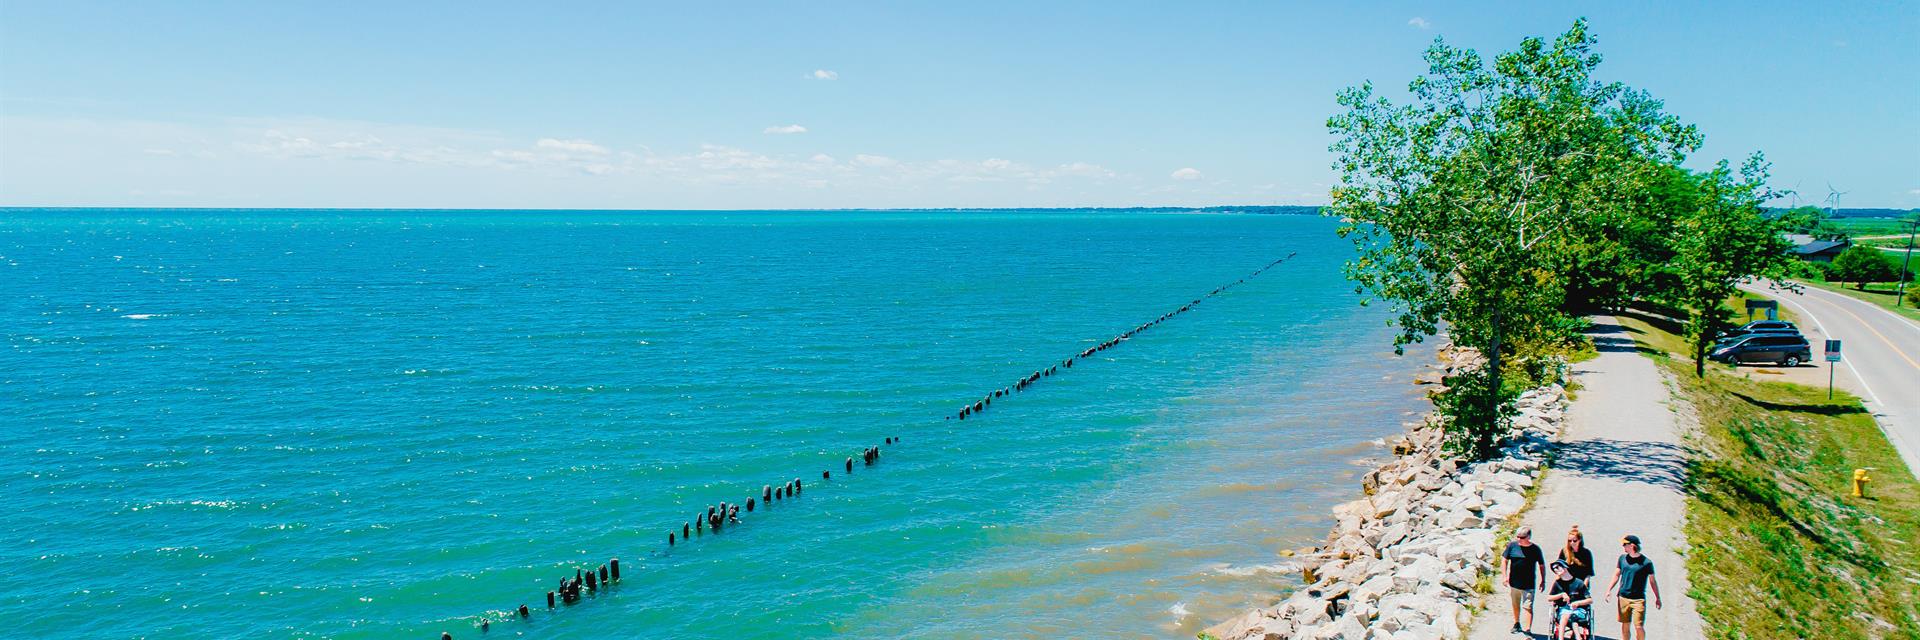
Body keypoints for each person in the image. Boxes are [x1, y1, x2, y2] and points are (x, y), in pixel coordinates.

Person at [1605, 534, 1662, 640]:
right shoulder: (1622, 559)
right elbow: (1616, 575)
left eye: (1625, 544)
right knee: (1625, 625)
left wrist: (1657, 598)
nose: (1623, 547)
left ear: (1632, 546)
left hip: (1638, 599)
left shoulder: (1646, 563)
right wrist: (1609, 590)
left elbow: (1653, 582)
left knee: (1638, 626)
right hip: (1623, 597)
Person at [1501, 526, 1548, 635]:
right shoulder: (1512, 546)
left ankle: (1528, 630)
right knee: (1515, 604)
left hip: (1529, 584)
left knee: (1528, 606)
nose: (1519, 539)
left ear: (1529, 537)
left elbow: (1541, 565)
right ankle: (1517, 623)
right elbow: (1504, 560)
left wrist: (1543, 580)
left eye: (1522, 537)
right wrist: (1504, 576)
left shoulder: (1535, 549)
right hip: (1514, 583)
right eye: (1518, 537)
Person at [1546, 560, 1593, 639]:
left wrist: (1578, 603)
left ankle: (1577, 637)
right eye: (1554, 569)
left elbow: (1590, 600)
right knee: (1566, 615)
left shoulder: (1579, 583)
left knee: (1572, 617)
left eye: (1557, 567)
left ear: (1565, 567)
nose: (1555, 570)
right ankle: (1563, 638)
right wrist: (1561, 595)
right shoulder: (1558, 583)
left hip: (1578, 610)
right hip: (1564, 609)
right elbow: (1549, 598)